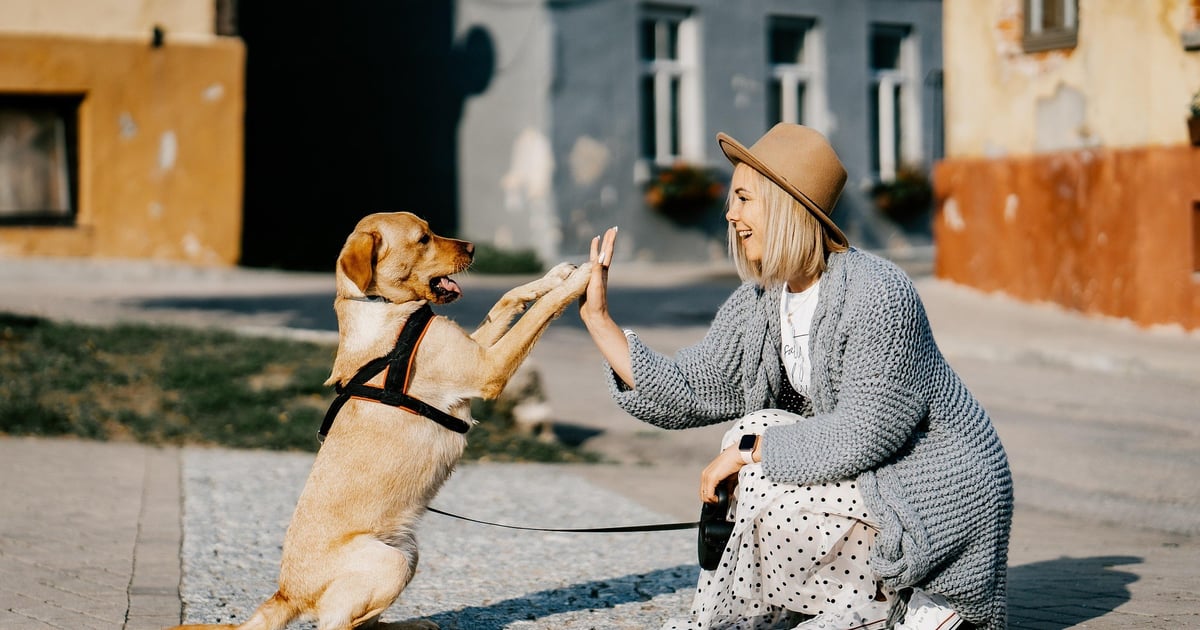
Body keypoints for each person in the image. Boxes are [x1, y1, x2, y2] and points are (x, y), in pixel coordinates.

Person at [577, 123, 1012, 630]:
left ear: (785, 204)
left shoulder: (879, 292)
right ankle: (723, 622)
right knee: (752, 432)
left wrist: (749, 453)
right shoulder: (762, 302)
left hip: (933, 489)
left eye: (743, 198)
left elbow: (866, 431)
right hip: (868, 481)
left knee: (753, 453)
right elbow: (692, 388)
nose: (730, 214)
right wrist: (600, 322)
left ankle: (914, 600)